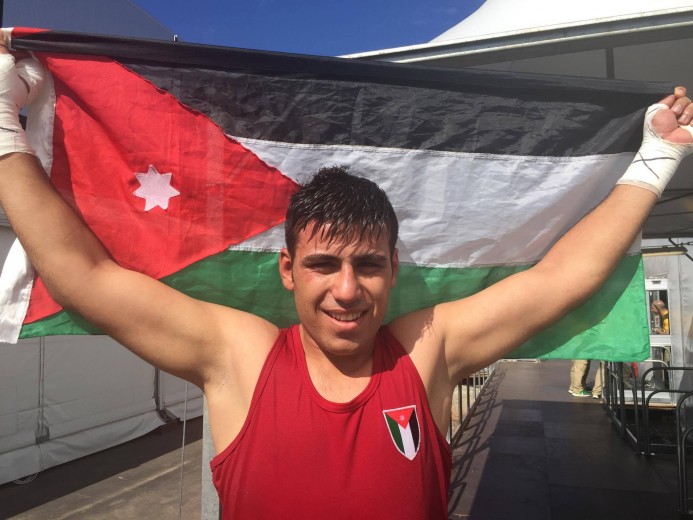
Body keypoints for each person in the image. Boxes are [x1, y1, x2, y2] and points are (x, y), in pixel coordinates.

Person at [1, 36, 692, 519]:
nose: (346, 290)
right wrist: (5, 123)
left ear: (393, 271)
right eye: (323, 264)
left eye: (367, 265)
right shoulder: (239, 357)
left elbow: (560, 278)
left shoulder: (425, 351)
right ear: (288, 270)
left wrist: (655, 158)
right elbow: (83, 274)